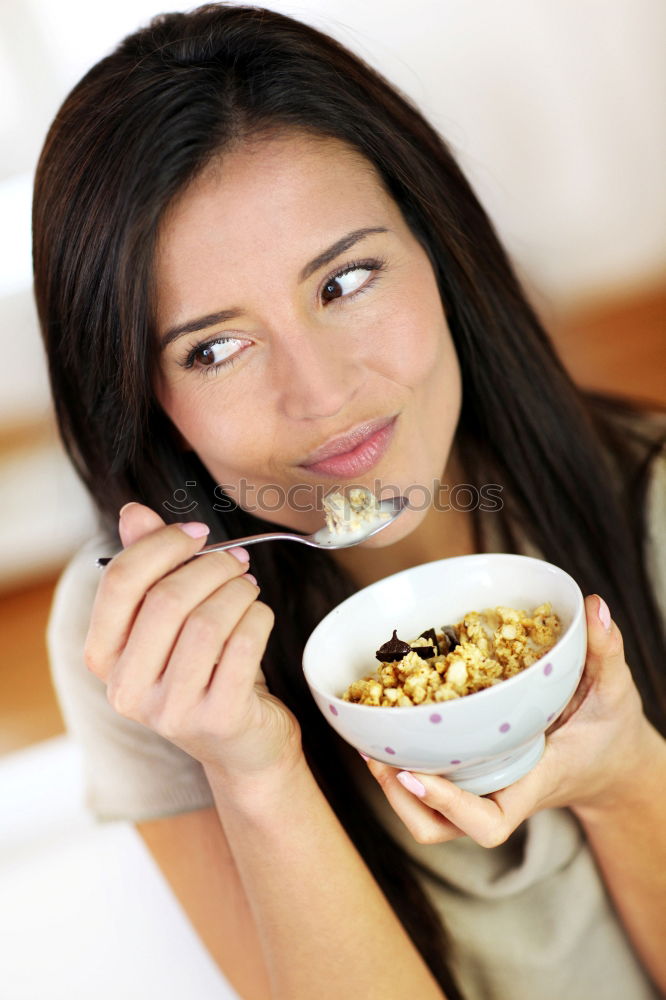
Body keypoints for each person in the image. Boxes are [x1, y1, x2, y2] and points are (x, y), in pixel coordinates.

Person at [34, 6, 666, 1000]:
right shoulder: (145, 644)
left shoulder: (654, 500)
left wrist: (628, 774)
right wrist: (256, 772)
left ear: (441, 252)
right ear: (151, 403)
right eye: (216, 346)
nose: (322, 394)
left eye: (348, 279)